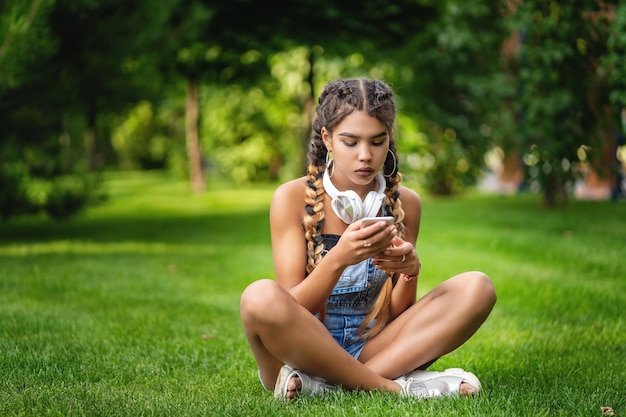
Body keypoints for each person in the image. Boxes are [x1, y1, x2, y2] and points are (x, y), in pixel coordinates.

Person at [240, 78, 497, 401]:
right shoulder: (290, 198)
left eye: (377, 142)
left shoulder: (406, 203)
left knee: (478, 287)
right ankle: (396, 388)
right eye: (351, 142)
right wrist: (338, 258)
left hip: (372, 348)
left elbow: (396, 315)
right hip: (299, 351)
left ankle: (327, 387)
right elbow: (293, 308)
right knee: (258, 297)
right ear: (327, 139)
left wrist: (409, 270)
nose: (365, 156)